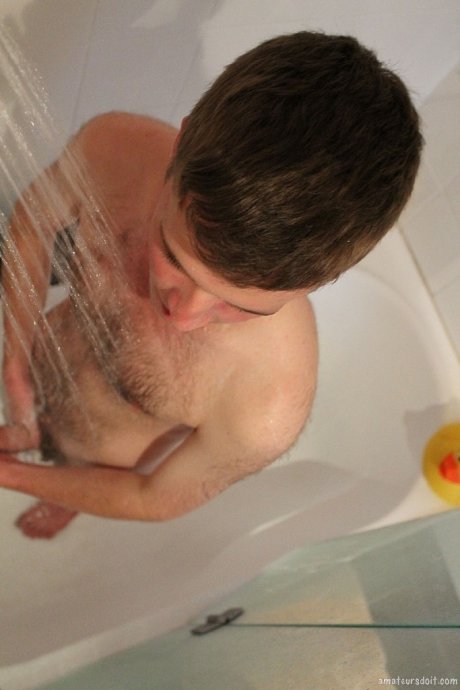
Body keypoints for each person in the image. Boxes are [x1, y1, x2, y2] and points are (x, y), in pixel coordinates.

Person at [0, 31, 422, 538]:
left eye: (241, 307)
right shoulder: (115, 151)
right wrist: (15, 360)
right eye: (174, 256)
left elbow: (152, 497)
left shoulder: (266, 405)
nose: (184, 315)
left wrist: (15, 476)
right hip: (35, 356)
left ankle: (66, 492)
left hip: (96, 462)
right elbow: (29, 229)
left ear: (319, 284)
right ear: (179, 151)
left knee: (71, 490)